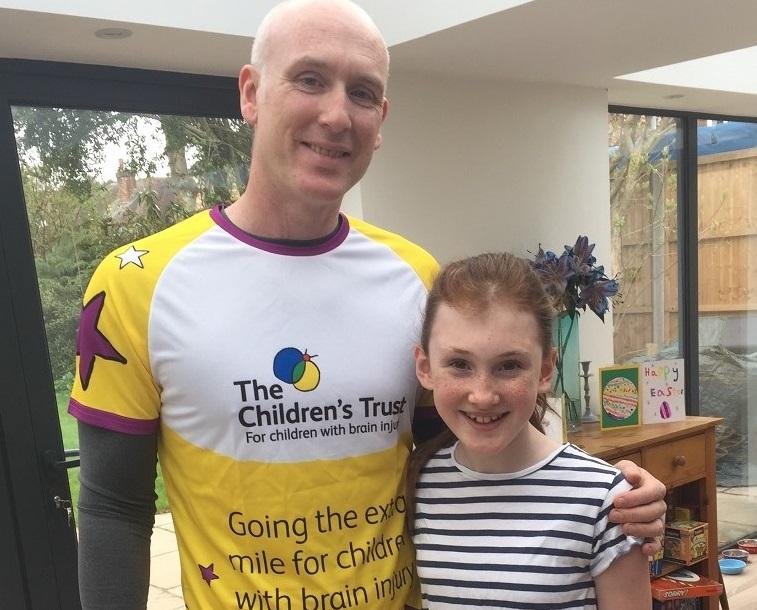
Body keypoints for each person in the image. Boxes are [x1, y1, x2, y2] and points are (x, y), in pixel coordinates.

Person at [69, 1, 665, 608]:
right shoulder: (133, 284)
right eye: (309, 79)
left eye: (361, 93)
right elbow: (114, 505)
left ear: (379, 121)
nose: (335, 114)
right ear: (251, 93)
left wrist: (604, 493)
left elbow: (469, 447)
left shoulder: (415, 275)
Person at [407, 252, 652, 609]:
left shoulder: (605, 499)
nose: (482, 395)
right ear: (426, 367)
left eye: (509, 366)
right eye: (459, 364)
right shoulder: (420, 482)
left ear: (545, 370)